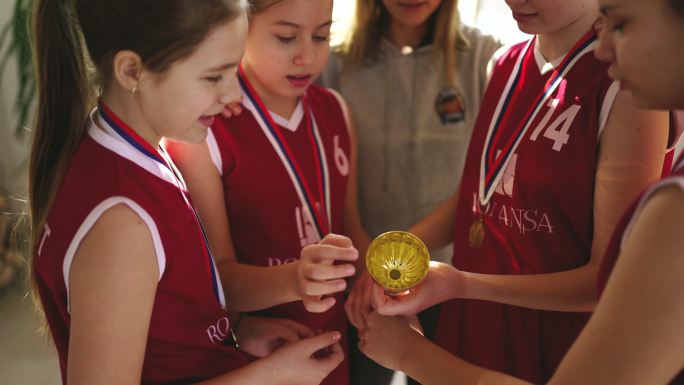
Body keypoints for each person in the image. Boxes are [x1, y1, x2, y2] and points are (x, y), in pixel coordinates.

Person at [357, 3, 684, 382]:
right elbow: (478, 197)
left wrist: (459, 290)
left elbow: (605, 278)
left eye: (623, 24)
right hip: (467, 317)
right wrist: (412, 251)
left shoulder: (625, 85)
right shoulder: (504, 63)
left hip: (548, 338)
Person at [28, 0, 352, 384]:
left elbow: (168, 318)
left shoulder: (131, 152)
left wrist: (238, 329)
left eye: (233, 70)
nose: (233, 96)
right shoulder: (120, 223)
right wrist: (270, 377)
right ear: (133, 71)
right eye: (214, 77)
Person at [165, 1, 369, 384]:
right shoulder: (204, 130)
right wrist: (296, 279)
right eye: (286, 37)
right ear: (241, 25)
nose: (307, 55)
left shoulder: (336, 111)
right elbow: (217, 281)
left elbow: (352, 232)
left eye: (322, 35)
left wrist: (386, 280)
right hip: (259, 358)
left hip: (334, 343)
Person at [318, 1, 500, 383]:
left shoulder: (486, 57)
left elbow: (481, 185)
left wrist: (398, 257)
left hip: (450, 279)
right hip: (360, 282)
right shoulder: (331, 62)